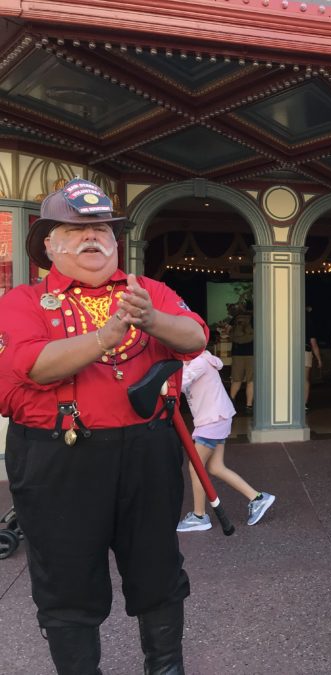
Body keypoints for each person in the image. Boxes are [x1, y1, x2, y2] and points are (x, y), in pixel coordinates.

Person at [0, 179, 208, 674]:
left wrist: (152, 318)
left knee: (158, 567)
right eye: (76, 230)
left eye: (102, 230)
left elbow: (195, 335)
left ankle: (166, 667)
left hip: (147, 451)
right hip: (60, 457)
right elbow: (32, 365)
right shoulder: (23, 301)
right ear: (49, 244)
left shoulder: (146, 290)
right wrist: (107, 335)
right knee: (66, 578)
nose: (93, 238)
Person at [177, 349, 275, 532]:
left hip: (212, 420)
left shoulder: (199, 362)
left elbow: (180, 384)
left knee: (195, 467)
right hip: (216, 418)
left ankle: (199, 516)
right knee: (215, 467)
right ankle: (258, 498)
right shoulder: (193, 361)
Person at [229, 310, 254, 413]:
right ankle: (248, 405)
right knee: (251, 381)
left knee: (236, 380)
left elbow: (230, 334)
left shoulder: (235, 318)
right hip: (251, 353)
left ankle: (230, 402)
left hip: (237, 353)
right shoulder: (253, 318)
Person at [304, 308, 322, 410]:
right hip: (305, 350)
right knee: (305, 379)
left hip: (291, 351)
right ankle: (304, 404)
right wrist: (319, 359)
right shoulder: (309, 325)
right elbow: (313, 344)